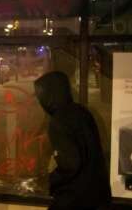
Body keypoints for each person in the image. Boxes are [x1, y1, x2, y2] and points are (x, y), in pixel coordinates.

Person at [34, 71, 111, 210]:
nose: (40, 101)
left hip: (75, 197)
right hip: (97, 194)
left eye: (41, 95)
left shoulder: (59, 120)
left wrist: (48, 181)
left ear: (50, 95)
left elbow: (70, 164)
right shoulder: (81, 111)